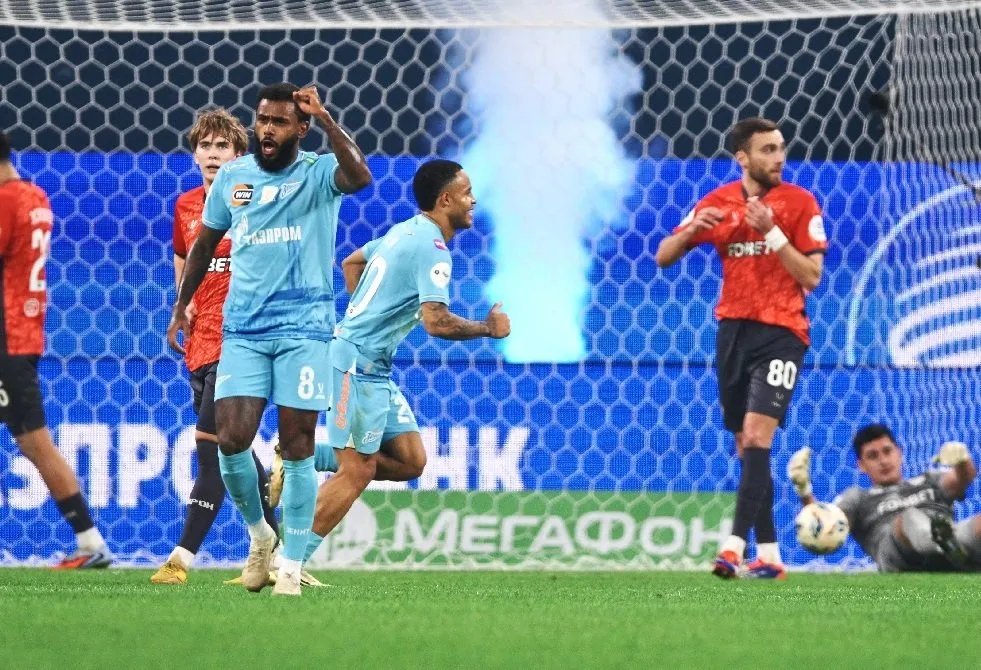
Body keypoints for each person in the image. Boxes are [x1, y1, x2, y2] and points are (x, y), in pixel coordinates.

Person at [167, 83, 372, 596]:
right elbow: (204, 245)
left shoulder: (318, 173)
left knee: (298, 445)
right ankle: (261, 536)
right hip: (243, 331)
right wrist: (180, 306)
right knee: (231, 440)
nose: (267, 129)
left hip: (303, 331)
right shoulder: (234, 177)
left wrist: (326, 118)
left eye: (279, 122)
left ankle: (290, 566)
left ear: (300, 129)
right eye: (262, 119)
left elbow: (360, 176)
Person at [267, 159, 509, 566]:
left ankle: (296, 460)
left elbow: (352, 263)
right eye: (466, 193)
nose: (473, 200)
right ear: (445, 200)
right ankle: (288, 562)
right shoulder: (432, 249)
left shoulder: (404, 231)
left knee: (410, 461)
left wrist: (369, 310)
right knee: (358, 470)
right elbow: (436, 322)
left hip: (372, 367)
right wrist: (487, 328)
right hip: (355, 366)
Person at [655, 117, 828, 579]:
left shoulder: (799, 203)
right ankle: (769, 555)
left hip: (782, 334)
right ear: (742, 158)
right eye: (768, 150)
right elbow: (663, 256)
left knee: (755, 437)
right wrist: (691, 231)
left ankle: (733, 547)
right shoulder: (719, 202)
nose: (779, 158)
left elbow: (812, 276)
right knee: (747, 447)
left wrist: (772, 232)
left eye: (781, 148)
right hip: (733, 334)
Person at [151, 108, 282, 585]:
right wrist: (181, 305)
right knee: (234, 448)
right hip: (201, 341)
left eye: (222, 146)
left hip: (242, 340)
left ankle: (180, 559)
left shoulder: (257, 200)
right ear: (194, 154)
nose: (212, 154)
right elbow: (183, 260)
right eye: (204, 145)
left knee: (210, 448)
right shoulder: (186, 206)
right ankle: (277, 546)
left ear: (238, 154)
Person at [0, 131, 113, 569]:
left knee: (36, 442)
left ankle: (91, 543)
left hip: (7, 338)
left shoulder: (7, 201)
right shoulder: (35, 197)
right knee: (34, 442)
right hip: (24, 333)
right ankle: (90, 542)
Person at [788, 424, 981, 572]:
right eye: (873, 456)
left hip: (953, 539)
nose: (883, 460)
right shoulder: (859, 497)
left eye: (887, 451)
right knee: (908, 519)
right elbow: (826, 527)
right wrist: (804, 491)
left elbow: (961, 479)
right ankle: (946, 547)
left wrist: (962, 460)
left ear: (899, 453)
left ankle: (952, 549)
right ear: (861, 466)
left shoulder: (929, 480)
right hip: (899, 557)